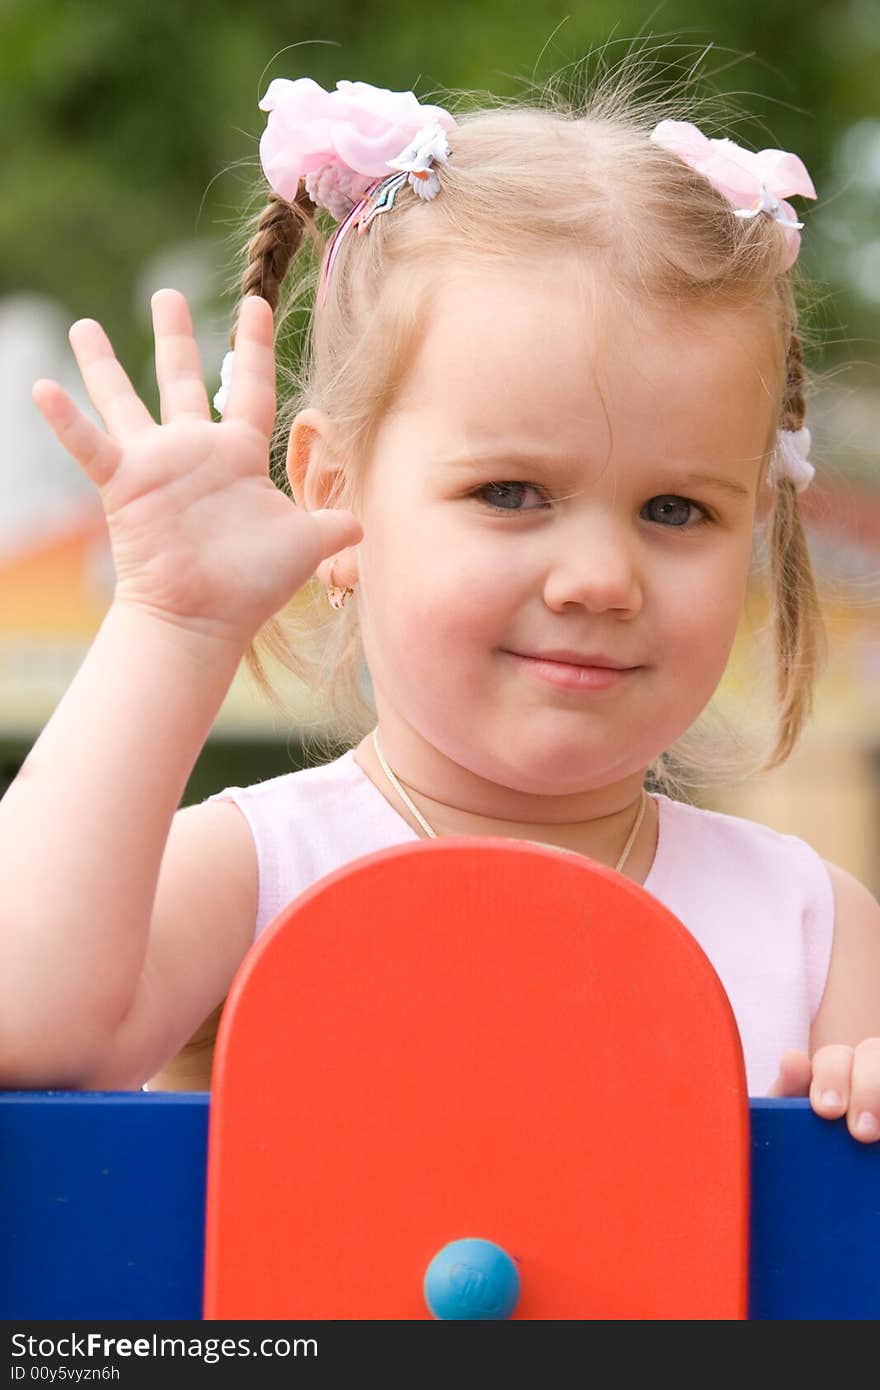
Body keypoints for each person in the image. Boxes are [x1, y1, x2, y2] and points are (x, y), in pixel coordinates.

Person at [6, 70, 879, 1137]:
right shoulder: (254, 874)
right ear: (334, 492)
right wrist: (172, 623)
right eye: (508, 493)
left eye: (676, 509)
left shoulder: (814, 933)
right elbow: (25, 1021)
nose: (599, 578)